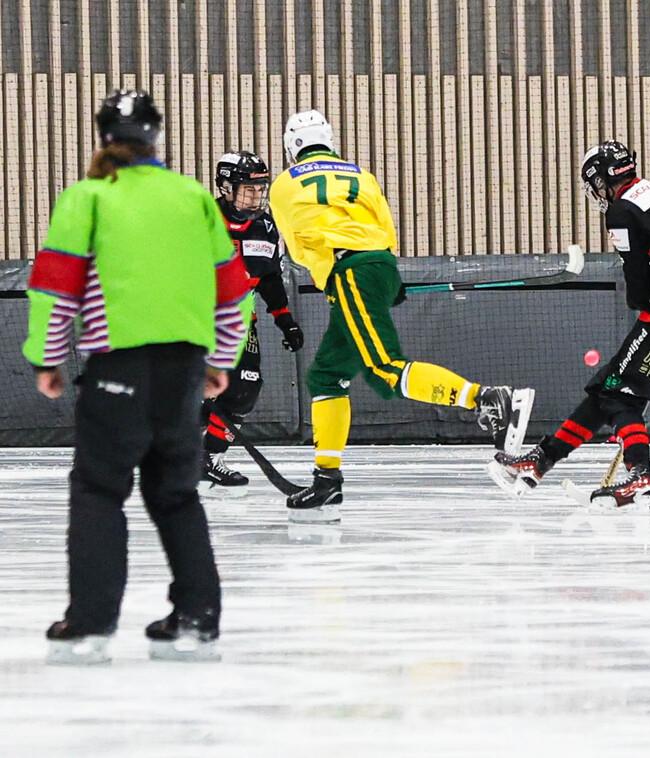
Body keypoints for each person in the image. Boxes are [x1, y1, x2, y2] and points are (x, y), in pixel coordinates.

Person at [24, 90, 252, 664]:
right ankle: (197, 617)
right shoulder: (192, 197)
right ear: (156, 137)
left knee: (99, 490)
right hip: (182, 369)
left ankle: (89, 623)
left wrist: (48, 359)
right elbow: (233, 293)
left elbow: (56, 289)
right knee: (176, 494)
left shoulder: (88, 197)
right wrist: (220, 361)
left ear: (103, 136)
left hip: (116, 369)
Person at [268, 110, 531, 524]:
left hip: (347, 271)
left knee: (384, 367)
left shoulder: (284, 184)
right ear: (330, 140)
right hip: (377, 265)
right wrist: (385, 280)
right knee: (326, 376)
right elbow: (385, 230)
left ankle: (486, 398)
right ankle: (327, 478)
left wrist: (338, 274)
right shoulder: (362, 175)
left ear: (291, 148)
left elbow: (299, 244)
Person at [489, 140, 650, 508]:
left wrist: (640, 302)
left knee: (618, 394)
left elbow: (637, 274)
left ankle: (640, 474)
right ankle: (541, 460)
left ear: (602, 179)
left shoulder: (621, 209)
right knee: (610, 387)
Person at [201, 150, 305, 496]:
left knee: (245, 387)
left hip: (240, 321)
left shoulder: (266, 227)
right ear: (226, 187)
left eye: (260, 189)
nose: (256, 196)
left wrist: (285, 320)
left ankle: (209, 458)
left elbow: (270, 278)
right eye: (249, 189)